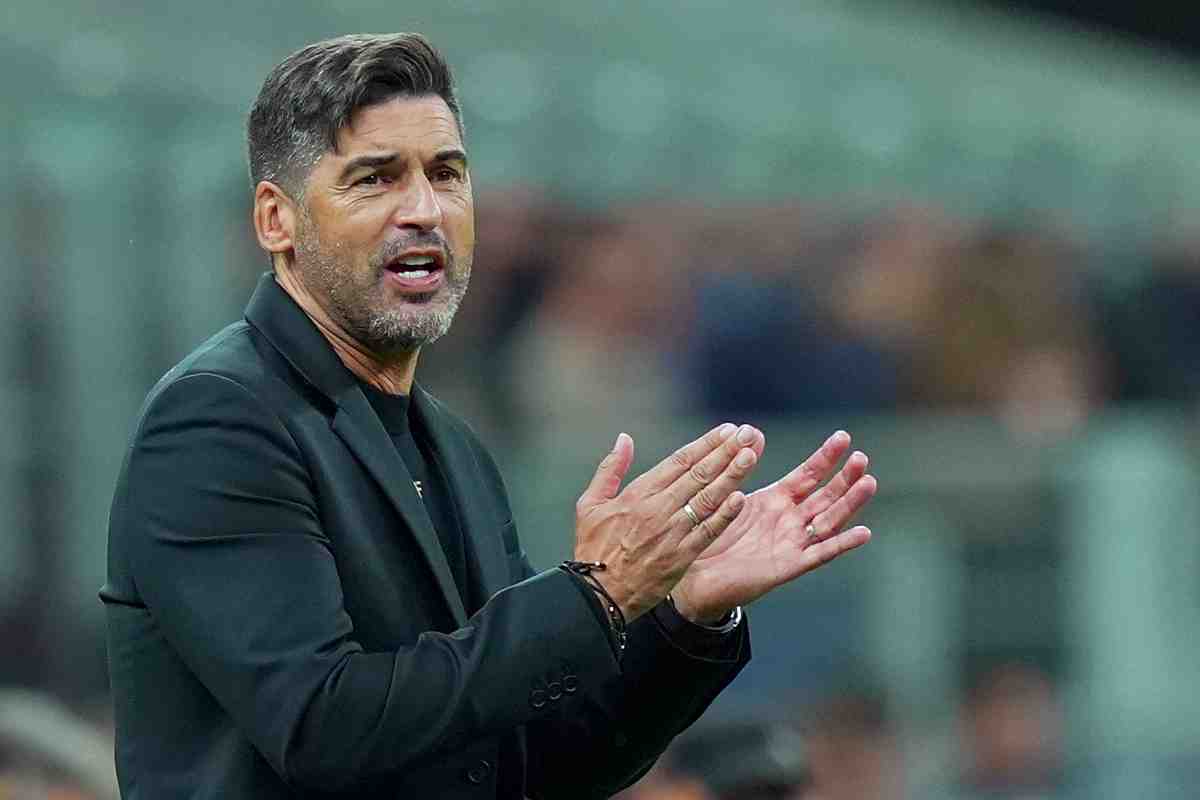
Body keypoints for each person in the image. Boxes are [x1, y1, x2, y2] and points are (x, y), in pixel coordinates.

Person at [99, 33, 877, 799]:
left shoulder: (452, 445)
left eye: (446, 174)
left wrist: (685, 614)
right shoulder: (218, 419)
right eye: (375, 178)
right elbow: (321, 726)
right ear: (277, 220)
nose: (424, 210)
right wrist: (596, 596)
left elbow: (537, 759)